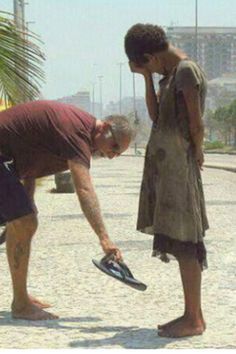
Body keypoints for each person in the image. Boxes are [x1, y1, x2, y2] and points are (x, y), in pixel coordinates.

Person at [0, 100, 134, 321]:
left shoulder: (82, 133)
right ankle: (21, 303)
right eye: (115, 147)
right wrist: (104, 239)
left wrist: (28, 198)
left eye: (118, 153)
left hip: (8, 161)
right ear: (105, 128)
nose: (113, 155)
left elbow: (31, 161)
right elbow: (84, 189)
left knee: (23, 219)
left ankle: (21, 296)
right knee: (25, 222)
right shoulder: (78, 132)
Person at [124, 23, 209, 338]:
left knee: (187, 242)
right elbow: (158, 117)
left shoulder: (185, 70)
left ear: (149, 55)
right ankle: (191, 314)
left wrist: (198, 151)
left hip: (180, 168)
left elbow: (195, 122)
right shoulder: (170, 75)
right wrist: (148, 77)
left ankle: (194, 319)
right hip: (169, 168)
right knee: (180, 239)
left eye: (146, 65)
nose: (150, 70)